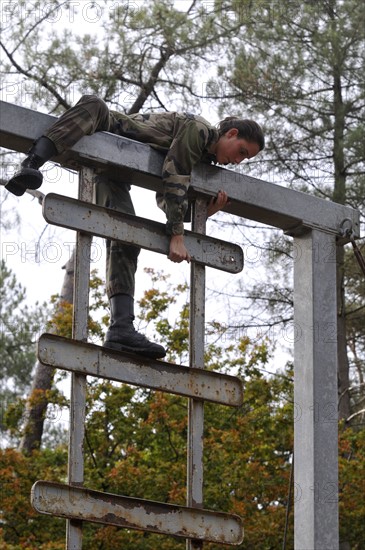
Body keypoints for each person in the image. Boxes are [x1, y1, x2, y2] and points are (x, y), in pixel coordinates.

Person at [5, 95, 265, 360]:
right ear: (231, 133)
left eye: (246, 159)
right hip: (109, 129)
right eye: (242, 151)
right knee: (94, 104)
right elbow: (174, 177)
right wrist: (176, 236)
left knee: (125, 240)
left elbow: (165, 198)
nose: (238, 161)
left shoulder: (201, 161)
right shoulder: (199, 130)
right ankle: (31, 164)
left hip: (112, 174)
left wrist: (204, 212)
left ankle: (121, 329)